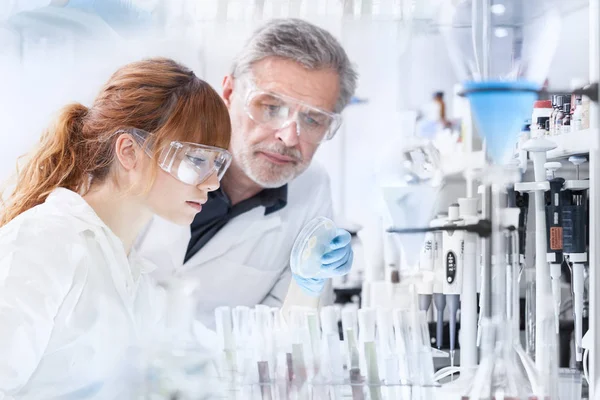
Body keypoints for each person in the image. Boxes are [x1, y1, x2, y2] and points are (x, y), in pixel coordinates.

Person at [0, 58, 233, 398]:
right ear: (129, 152)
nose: (212, 183)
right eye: (195, 160)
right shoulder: (43, 242)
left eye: (218, 164)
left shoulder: (134, 278)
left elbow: (222, 365)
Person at [135, 18, 359, 327]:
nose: (289, 137)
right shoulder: (157, 152)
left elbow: (289, 331)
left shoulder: (312, 189)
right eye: (270, 107)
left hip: (217, 371)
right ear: (228, 92)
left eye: (312, 120)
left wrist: (310, 287)